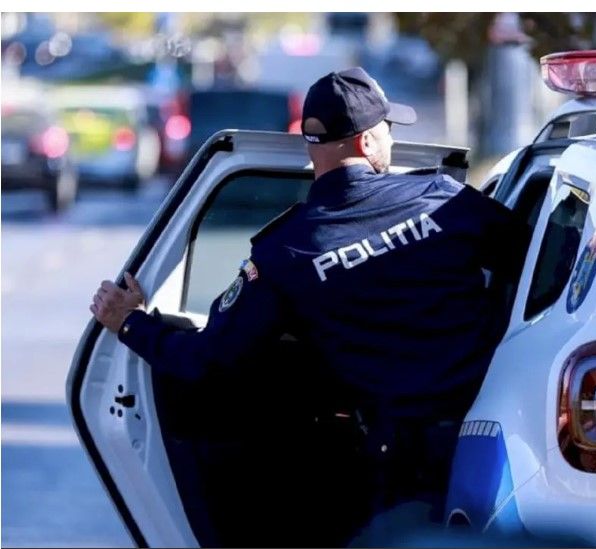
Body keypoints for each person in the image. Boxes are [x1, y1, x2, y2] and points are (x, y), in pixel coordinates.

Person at [90, 67, 529, 543]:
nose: (390, 139)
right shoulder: (444, 199)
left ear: (312, 143)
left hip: (396, 460)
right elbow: (538, 261)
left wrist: (130, 323)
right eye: (387, 129)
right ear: (366, 141)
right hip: (499, 434)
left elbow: (207, 359)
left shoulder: (285, 251)